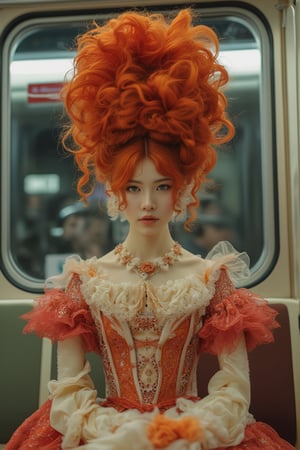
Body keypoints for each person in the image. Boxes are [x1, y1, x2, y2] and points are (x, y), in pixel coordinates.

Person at [5, 9, 295, 450]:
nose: (147, 202)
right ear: (115, 191)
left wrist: (190, 428)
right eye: (133, 187)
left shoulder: (211, 280)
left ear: (183, 187)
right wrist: (118, 432)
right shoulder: (84, 283)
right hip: (106, 435)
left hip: (192, 432)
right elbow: (68, 392)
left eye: (161, 186)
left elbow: (235, 389)